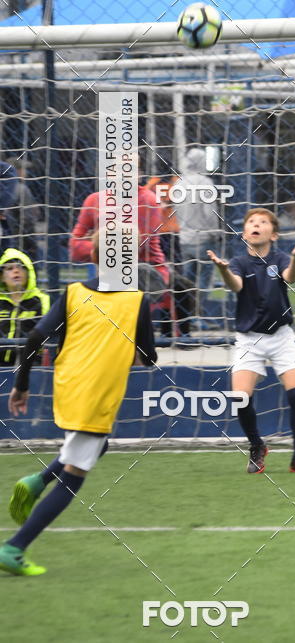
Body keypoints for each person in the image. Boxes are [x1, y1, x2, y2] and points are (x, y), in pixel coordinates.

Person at [0, 231, 156, 576]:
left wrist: (21, 386)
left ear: (94, 258)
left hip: (68, 389)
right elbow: (148, 357)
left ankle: (37, 481)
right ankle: (15, 547)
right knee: (74, 478)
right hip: (97, 398)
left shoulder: (72, 292)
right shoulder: (137, 300)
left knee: (100, 445)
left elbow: (34, 338)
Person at [207, 207, 295, 475]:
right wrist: (223, 270)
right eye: (251, 222)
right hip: (249, 340)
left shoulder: (281, 258)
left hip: (281, 337)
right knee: (240, 398)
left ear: (274, 234)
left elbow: (290, 277)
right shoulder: (238, 263)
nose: (255, 225)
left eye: (262, 222)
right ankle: (257, 445)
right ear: (245, 232)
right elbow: (235, 285)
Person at [69, 170, 196, 338]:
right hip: (109, 271)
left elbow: (135, 246)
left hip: (148, 269)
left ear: (139, 175)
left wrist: (99, 243)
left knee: (180, 286)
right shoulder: (94, 200)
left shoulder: (148, 199)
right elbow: (75, 248)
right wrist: (106, 246)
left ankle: (171, 336)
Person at [172, 148, 221, 322]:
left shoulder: (179, 183)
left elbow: (176, 212)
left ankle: (187, 316)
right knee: (203, 281)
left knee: (187, 280)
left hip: (184, 238)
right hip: (203, 238)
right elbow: (210, 213)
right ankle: (197, 315)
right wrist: (215, 233)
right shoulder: (205, 182)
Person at [0, 248, 50, 367]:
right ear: (2, 277)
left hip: (32, 365)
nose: (16, 271)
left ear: (29, 273)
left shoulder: (43, 300)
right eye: (9, 268)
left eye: (21, 267)